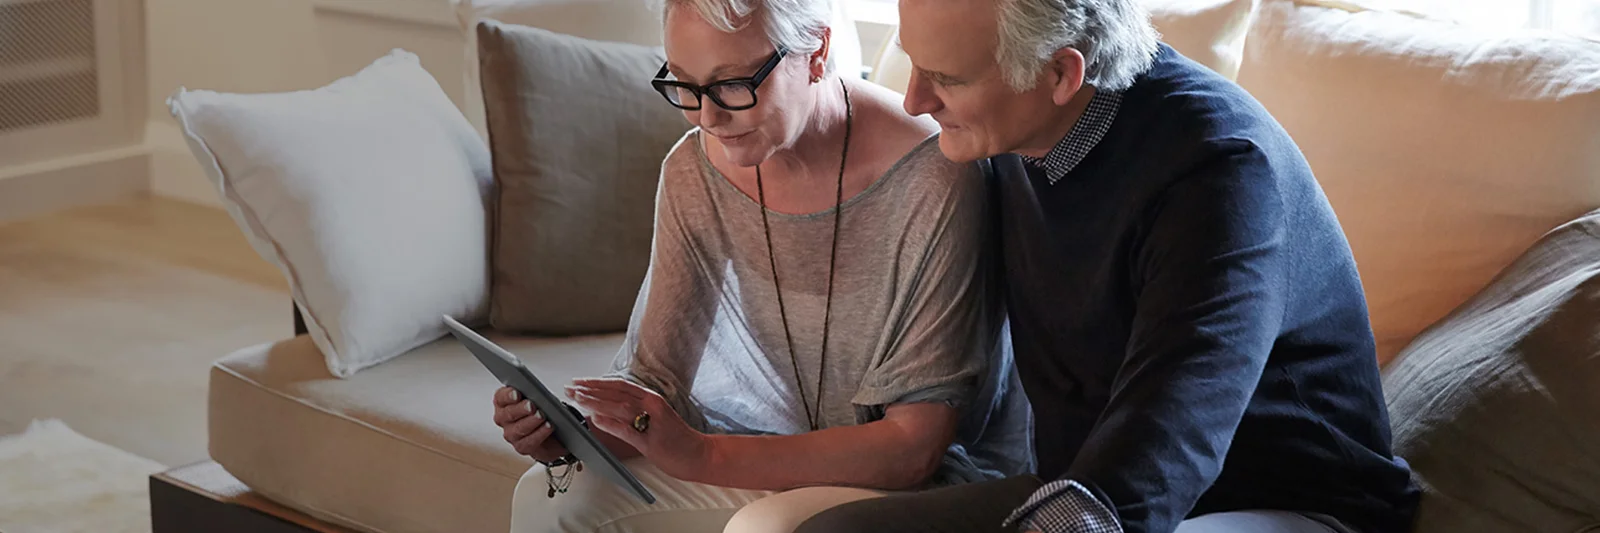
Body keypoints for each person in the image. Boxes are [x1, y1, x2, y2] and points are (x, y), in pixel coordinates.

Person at [794, 0, 1423, 532]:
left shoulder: (1220, 172)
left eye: (946, 78)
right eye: (913, 63)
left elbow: (1170, 435)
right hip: (1088, 481)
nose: (914, 99)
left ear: (1062, 73)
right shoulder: (1015, 129)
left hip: (1285, 502)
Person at [489, 0, 1034, 530]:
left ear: (816, 51)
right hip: (772, 459)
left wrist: (704, 456)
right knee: (553, 495)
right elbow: (658, 387)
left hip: (917, 484)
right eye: (684, 84)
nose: (708, 116)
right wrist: (569, 431)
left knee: (766, 527)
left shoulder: (935, 175)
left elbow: (913, 448)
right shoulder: (692, 170)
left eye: (733, 84)